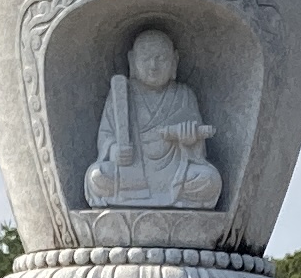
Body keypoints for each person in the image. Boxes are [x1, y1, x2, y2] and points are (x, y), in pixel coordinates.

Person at [84, 25, 220, 210]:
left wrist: (190, 142)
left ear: (174, 61)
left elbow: (199, 151)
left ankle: (159, 199)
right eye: (146, 58)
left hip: (175, 173)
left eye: (161, 59)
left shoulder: (184, 95)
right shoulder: (121, 94)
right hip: (130, 172)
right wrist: (115, 150)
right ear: (132, 61)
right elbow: (106, 135)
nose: (153, 66)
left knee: (209, 179)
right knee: (96, 176)